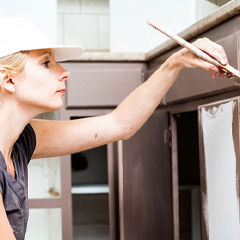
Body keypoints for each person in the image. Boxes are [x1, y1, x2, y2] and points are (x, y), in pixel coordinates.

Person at [0, 17, 229, 240]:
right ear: (8, 80)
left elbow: (119, 124)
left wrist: (176, 62)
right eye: (46, 62)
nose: (64, 71)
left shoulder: (22, 140)